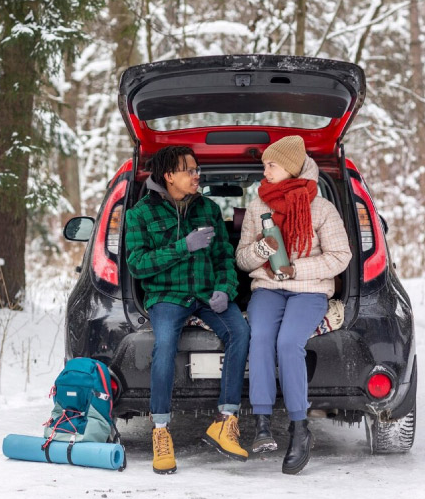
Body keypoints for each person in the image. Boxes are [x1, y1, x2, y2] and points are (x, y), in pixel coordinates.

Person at [125, 146, 250, 474]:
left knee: (240, 331)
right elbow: (137, 265)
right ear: (169, 175)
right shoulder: (140, 214)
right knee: (165, 344)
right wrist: (183, 246)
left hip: (208, 294)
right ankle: (161, 430)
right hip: (167, 296)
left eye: (197, 169)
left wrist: (225, 289)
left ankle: (225, 421)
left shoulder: (208, 208)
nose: (197, 176)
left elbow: (225, 255)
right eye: (189, 170)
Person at [235, 135, 351, 475]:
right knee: (260, 340)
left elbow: (340, 256)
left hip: (309, 290)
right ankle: (261, 423)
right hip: (268, 289)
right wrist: (261, 251)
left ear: (289, 167)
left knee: (288, 343)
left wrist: (296, 268)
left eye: (270, 165)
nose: (264, 171)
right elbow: (242, 260)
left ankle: (300, 429)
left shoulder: (321, 208)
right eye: (265, 165)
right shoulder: (259, 205)